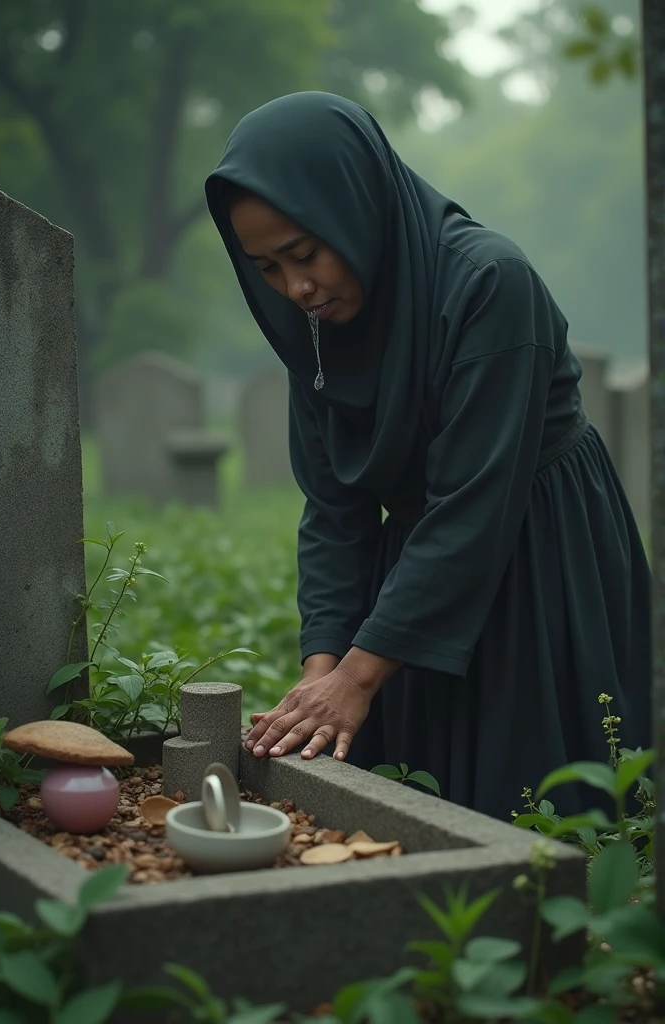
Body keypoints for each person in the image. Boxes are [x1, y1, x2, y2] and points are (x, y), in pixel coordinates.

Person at [205, 91, 651, 821]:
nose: (296, 288)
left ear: (354, 206)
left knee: (537, 807)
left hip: (535, 541)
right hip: (416, 562)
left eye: (304, 253)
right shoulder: (312, 323)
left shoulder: (488, 284)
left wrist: (360, 672)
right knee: (413, 796)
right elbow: (334, 508)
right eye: (266, 269)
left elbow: (476, 502)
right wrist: (325, 667)